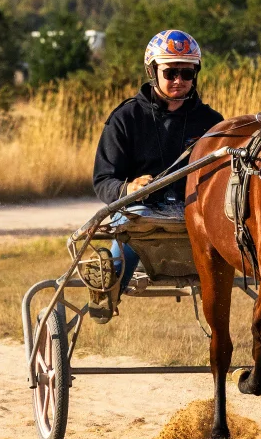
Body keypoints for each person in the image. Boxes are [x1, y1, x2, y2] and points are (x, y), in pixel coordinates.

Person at [89, 29, 223, 316]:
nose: (179, 81)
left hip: (196, 213)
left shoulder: (212, 122)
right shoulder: (125, 119)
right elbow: (103, 180)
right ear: (152, 70)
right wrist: (128, 189)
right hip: (141, 214)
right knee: (129, 225)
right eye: (171, 72)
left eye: (187, 74)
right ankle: (105, 290)